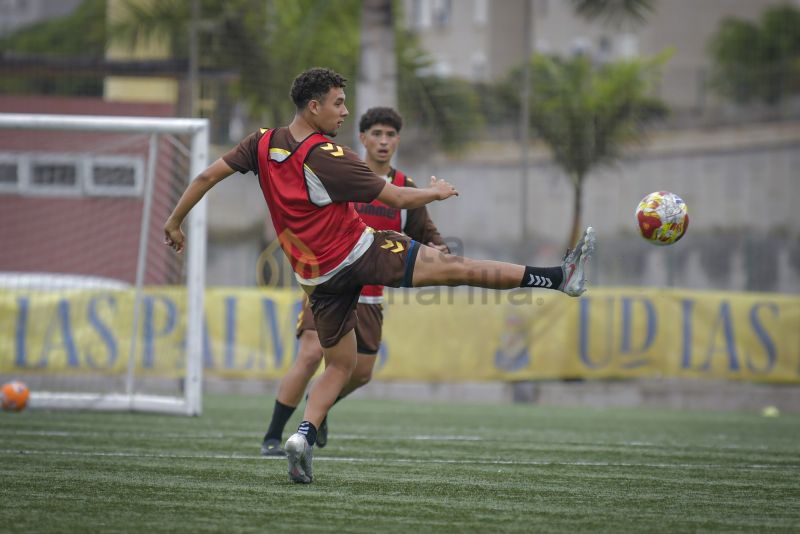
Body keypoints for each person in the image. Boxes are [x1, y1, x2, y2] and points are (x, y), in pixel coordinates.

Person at [164, 67, 595, 484]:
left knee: (342, 365)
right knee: (456, 269)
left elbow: (207, 174)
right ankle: (559, 277)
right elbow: (394, 195)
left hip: (317, 279)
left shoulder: (260, 143)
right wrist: (436, 192)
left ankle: (302, 437)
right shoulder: (327, 156)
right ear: (313, 107)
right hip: (360, 253)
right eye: (338, 103)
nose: (345, 112)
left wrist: (174, 221)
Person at [259, 106, 450, 457]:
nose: (383, 141)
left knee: (360, 373)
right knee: (311, 353)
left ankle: (320, 403)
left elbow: (427, 234)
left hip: (371, 297)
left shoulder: (405, 188)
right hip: (329, 284)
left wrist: (440, 251)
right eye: (376, 134)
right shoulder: (343, 172)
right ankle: (272, 436)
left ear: (397, 141)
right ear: (362, 138)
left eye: (390, 135)